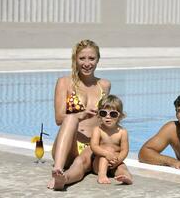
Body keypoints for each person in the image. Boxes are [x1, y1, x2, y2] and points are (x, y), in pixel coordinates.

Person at [47, 39, 111, 190]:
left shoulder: (104, 85)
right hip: (68, 146)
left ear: (98, 60)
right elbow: (58, 118)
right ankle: (58, 168)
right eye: (82, 58)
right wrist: (81, 114)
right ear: (75, 59)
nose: (87, 63)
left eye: (91, 58)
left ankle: (63, 180)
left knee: (81, 163)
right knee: (71, 117)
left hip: (92, 144)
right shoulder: (65, 82)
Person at [90, 94, 133, 185]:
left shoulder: (122, 132)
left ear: (120, 116)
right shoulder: (98, 130)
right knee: (106, 152)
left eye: (113, 114)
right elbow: (94, 146)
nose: (108, 117)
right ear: (99, 114)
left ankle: (126, 177)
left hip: (115, 162)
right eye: (103, 113)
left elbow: (125, 150)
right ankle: (102, 175)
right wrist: (106, 154)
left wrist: (118, 161)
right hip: (99, 163)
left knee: (123, 168)